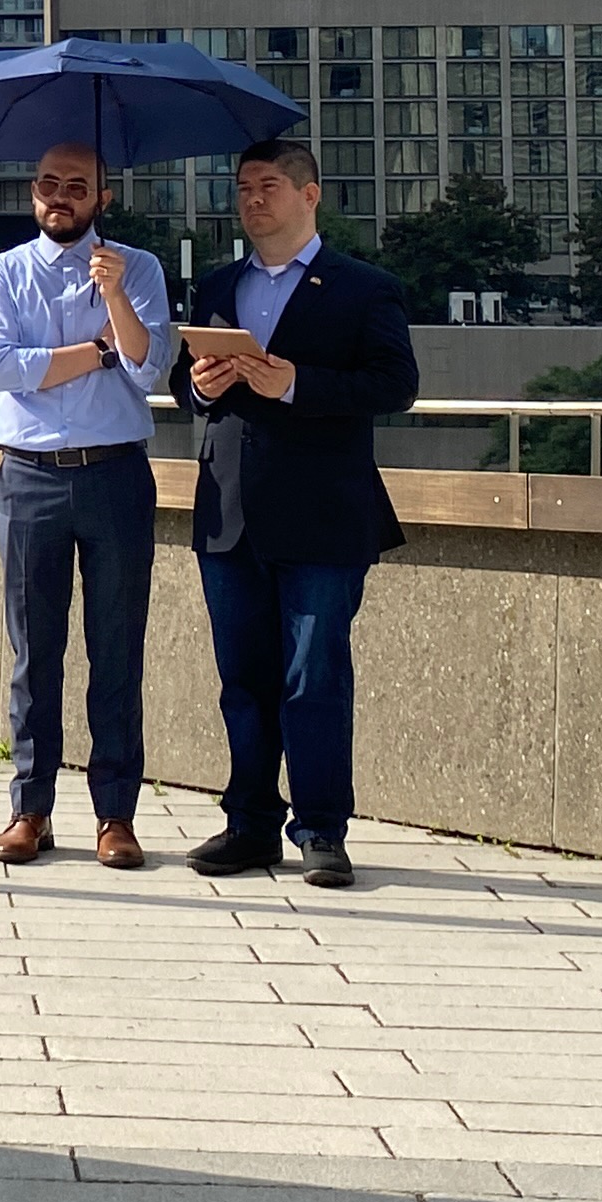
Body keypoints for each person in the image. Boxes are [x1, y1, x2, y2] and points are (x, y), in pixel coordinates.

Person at [182, 134, 419, 892]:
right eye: (244, 187)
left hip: (324, 514)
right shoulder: (217, 286)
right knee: (242, 678)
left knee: (313, 676)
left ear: (309, 194)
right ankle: (250, 824)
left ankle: (320, 827)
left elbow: (394, 386)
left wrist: (294, 383)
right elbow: (188, 389)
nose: (253, 200)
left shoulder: (362, 287)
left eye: (269, 187)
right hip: (230, 511)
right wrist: (204, 390)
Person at [0, 144, 174, 871]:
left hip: (115, 473)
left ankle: (115, 815)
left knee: (116, 650)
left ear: (102, 198)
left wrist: (115, 299)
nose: (62, 197)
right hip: (29, 477)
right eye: (50, 185)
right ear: (34, 193)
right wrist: (95, 353)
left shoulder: (138, 269)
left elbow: (152, 366)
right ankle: (31, 807)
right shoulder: (3, 272)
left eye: (77, 187)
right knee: (36, 652)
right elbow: (4, 370)